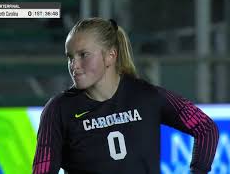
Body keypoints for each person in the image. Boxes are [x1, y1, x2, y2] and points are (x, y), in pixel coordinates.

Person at [32, 17, 219, 174]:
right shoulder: (58, 110)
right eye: (70, 57)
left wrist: (198, 170)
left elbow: (206, 128)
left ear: (110, 56)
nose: (74, 65)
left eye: (83, 55)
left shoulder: (147, 96)